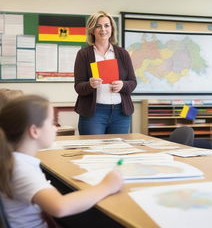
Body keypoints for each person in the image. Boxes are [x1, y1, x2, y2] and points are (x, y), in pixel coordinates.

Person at [0, 95, 123, 228]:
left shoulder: (15, 160)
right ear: (34, 131)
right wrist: (106, 186)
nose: (56, 128)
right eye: (52, 122)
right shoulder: (21, 168)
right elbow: (60, 207)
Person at [74, 11, 137, 135]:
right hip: (94, 113)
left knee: (117, 151)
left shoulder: (122, 53)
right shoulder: (84, 54)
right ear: (92, 30)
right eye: (98, 26)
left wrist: (123, 85)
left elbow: (133, 82)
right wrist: (90, 85)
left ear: (112, 28)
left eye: (107, 25)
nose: (103, 29)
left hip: (120, 113)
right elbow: (78, 87)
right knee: (93, 151)